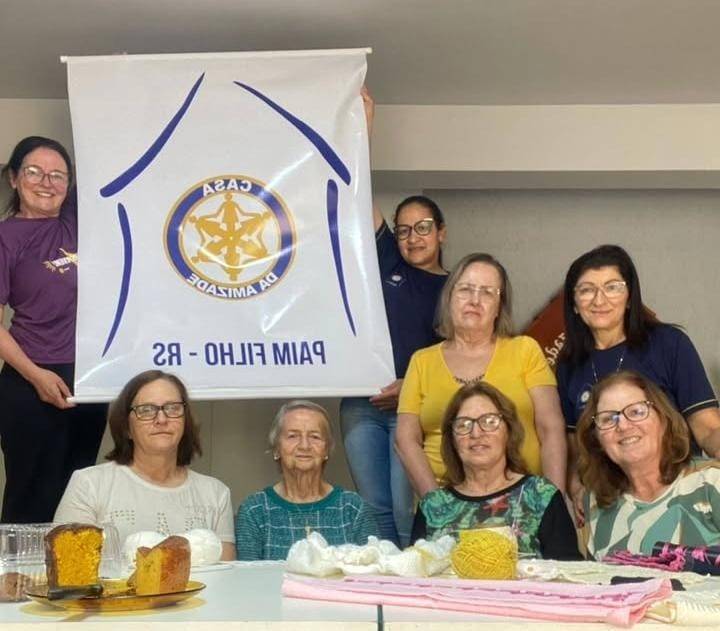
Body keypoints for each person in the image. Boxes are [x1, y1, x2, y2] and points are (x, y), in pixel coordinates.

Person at [340, 88, 448, 546]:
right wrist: (362, 132)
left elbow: (461, 358)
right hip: (361, 405)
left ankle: (413, 585)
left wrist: (412, 385)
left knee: (408, 509)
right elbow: (357, 193)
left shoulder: (458, 288)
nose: (412, 238)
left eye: (422, 228)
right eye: (403, 230)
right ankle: (383, 583)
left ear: (441, 233)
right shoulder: (386, 262)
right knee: (375, 511)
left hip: (414, 406)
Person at [557, 244, 720, 521]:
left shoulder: (669, 343)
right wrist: (576, 487)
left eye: (612, 287)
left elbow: (707, 426)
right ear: (574, 303)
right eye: (586, 290)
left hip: (680, 495)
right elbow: (575, 446)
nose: (599, 299)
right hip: (611, 506)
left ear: (630, 296)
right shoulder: (569, 364)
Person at [396, 252, 567, 498]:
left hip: (525, 500)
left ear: (499, 306)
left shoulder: (524, 350)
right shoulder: (422, 361)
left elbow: (550, 428)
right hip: (445, 498)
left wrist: (554, 499)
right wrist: (436, 504)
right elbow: (405, 439)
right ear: (449, 297)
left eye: (487, 292)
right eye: (465, 290)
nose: (475, 300)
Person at [0, 136, 106, 523]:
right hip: (31, 378)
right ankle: (16, 566)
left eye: (58, 175)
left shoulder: (74, 219)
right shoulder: (5, 237)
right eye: (34, 172)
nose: (47, 183)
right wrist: (36, 376)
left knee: (78, 493)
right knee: (33, 496)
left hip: (89, 378)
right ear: (14, 178)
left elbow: (108, 156)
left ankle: (71, 567)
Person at [54, 370, 235, 559]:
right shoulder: (89, 485)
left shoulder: (216, 494)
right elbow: (67, 567)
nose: (162, 419)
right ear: (126, 427)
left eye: (173, 408)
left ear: (185, 421)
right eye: (146, 410)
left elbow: (226, 573)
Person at [412, 382, 580, 560]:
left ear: (509, 431)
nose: (476, 433)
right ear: (452, 439)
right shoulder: (432, 506)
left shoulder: (540, 495)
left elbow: (569, 571)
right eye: (463, 425)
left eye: (489, 421)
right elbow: (413, 571)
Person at [576, 370, 720, 559]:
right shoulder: (594, 501)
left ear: (663, 420)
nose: (623, 426)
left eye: (636, 412)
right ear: (597, 439)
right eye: (608, 419)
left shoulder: (711, 482)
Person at [236, 400, 380, 560]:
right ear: (276, 448)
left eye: (315, 437)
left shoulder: (353, 508)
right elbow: (248, 574)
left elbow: (373, 570)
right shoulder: (254, 511)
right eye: (293, 436)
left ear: (326, 449)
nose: (304, 445)